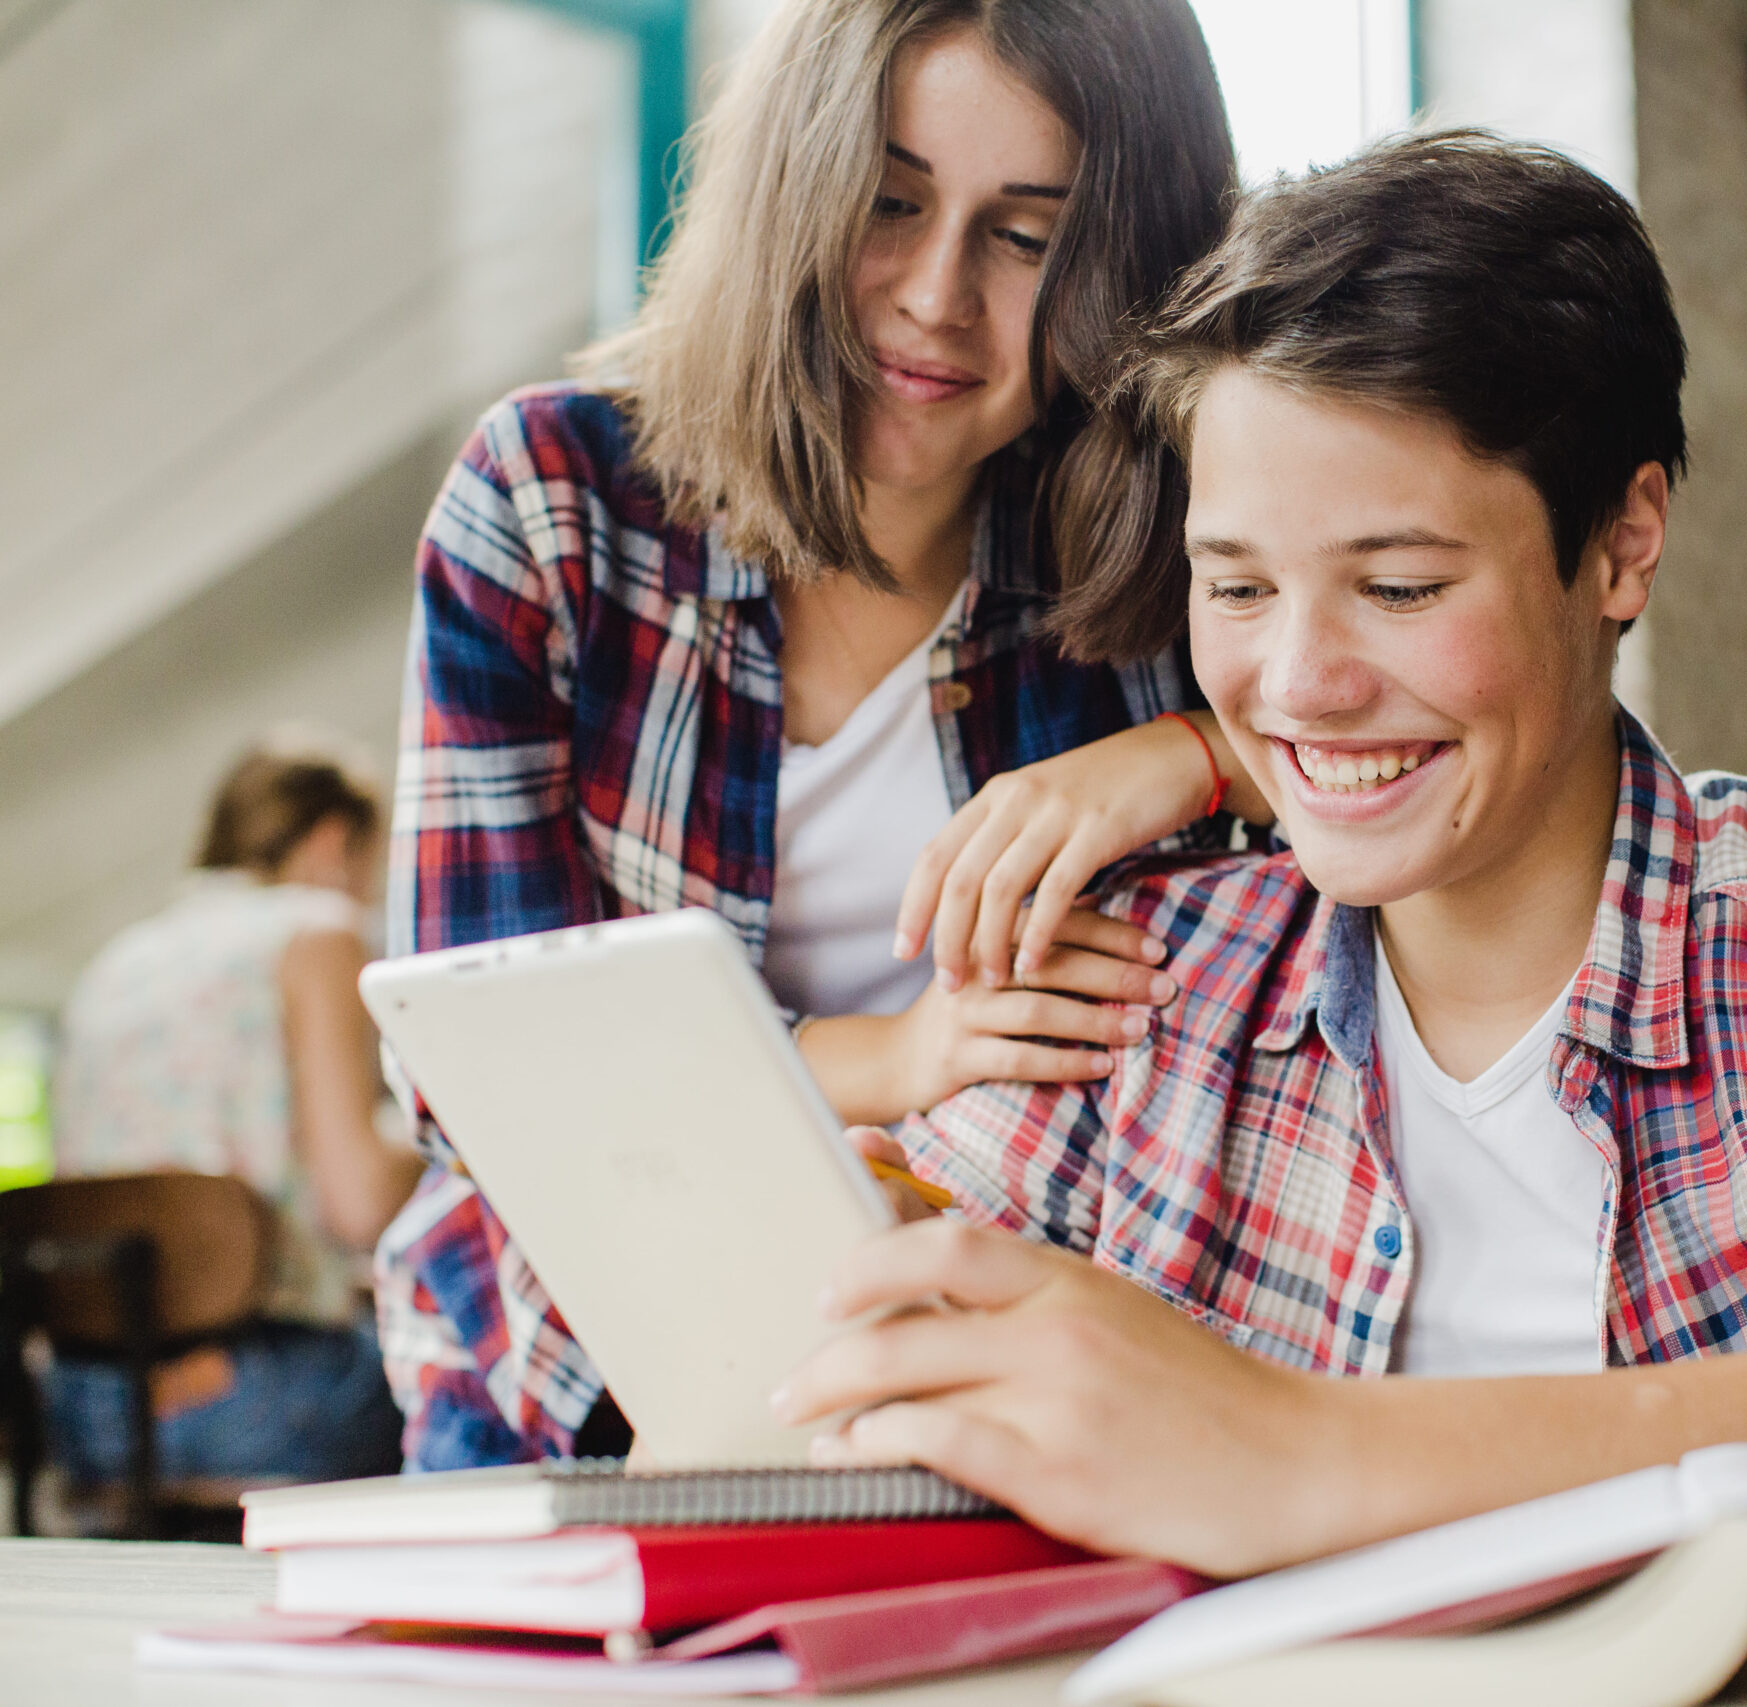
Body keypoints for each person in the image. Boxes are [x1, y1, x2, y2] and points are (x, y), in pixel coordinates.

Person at [770, 133, 1747, 1576]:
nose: (1298, 681)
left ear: (1621, 544)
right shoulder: (1138, 985)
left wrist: (1300, 1451)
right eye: (1238, 584)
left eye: (1399, 586)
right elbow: (802, 1391)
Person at [374, 0, 1267, 1470]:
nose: (935, 296)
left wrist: (1189, 751)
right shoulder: (550, 496)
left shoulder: (1158, 542)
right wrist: (901, 1052)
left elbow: (1431, 741)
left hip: (1009, 1360)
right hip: (570, 1368)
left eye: (1025, 237)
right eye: (888, 202)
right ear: (796, 190)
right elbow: (472, 1066)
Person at [47, 736, 418, 1488]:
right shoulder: (317, 931)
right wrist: (446, 1141)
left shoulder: (117, 959)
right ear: (330, 842)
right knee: (483, 1369)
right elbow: (359, 1203)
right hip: (257, 1400)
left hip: (84, 1409)